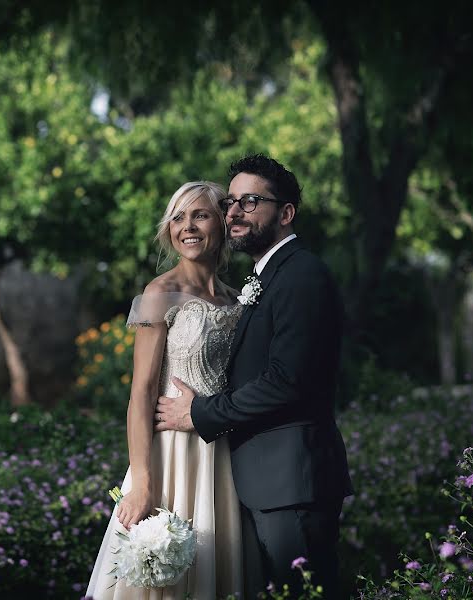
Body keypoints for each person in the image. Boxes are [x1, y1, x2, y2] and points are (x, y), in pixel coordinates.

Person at [154, 154, 354, 600]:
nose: (234, 213)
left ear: (285, 214)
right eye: (230, 203)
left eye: (249, 202)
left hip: (292, 480)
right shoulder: (267, 276)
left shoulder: (302, 275)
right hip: (263, 480)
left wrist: (200, 412)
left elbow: (287, 382)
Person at [85, 181, 244, 600]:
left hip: (225, 457)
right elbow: (140, 393)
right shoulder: (160, 293)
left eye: (200, 215)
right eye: (177, 217)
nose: (187, 226)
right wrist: (142, 483)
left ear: (223, 224)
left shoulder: (238, 300)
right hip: (172, 456)